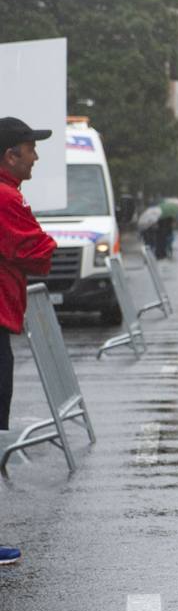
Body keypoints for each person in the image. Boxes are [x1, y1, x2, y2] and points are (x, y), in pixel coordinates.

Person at [0, 117, 59, 566]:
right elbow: (35, 251)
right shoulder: (4, 197)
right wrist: (46, 242)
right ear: (9, 156)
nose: (35, 156)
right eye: (29, 148)